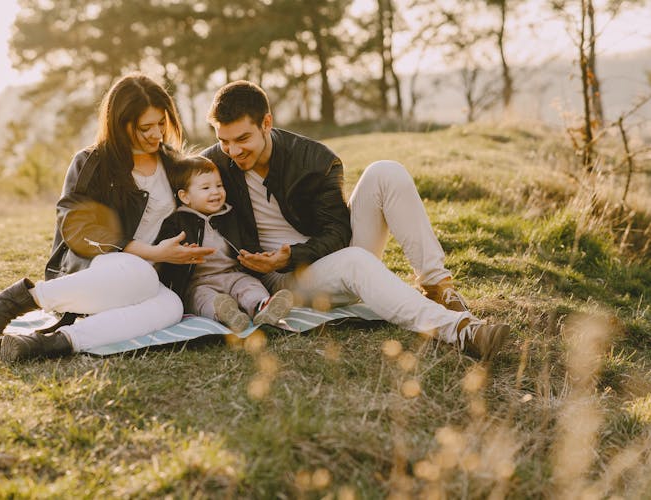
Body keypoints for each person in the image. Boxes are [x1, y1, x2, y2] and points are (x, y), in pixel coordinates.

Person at [201, 80, 509, 360]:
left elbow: (337, 231)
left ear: (266, 123)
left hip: (324, 255)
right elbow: (173, 179)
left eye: (242, 138)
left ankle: (436, 285)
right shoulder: (215, 163)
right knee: (356, 262)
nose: (233, 151)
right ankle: (460, 330)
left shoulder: (315, 159)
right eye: (224, 141)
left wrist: (291, 255)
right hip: (279, 282)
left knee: (385, 171)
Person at [0, 73, 215, 362]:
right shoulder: (92, 162)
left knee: (171, 306)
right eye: (146, 127)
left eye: (162, 123)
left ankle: (52, 343)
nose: (157, 134)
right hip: (96, 268)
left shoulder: (173, 163)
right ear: (120, 124)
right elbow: (76, 225)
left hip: (145, 280)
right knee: (141, 273)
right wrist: (149, 252)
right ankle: (20, 300)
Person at [155, 155, 293, 332]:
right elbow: (166, 254)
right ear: (185, 196)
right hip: (198, 282)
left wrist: (257, 255)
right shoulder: (176, 222)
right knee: (201, 298)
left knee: (250, 286)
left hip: (234, 274)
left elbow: (248, 241)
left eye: (219, 185)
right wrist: (181, 254)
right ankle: (225, 315)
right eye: (206, 188)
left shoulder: (231, 216)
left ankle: (263, 307)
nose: (215, 192)